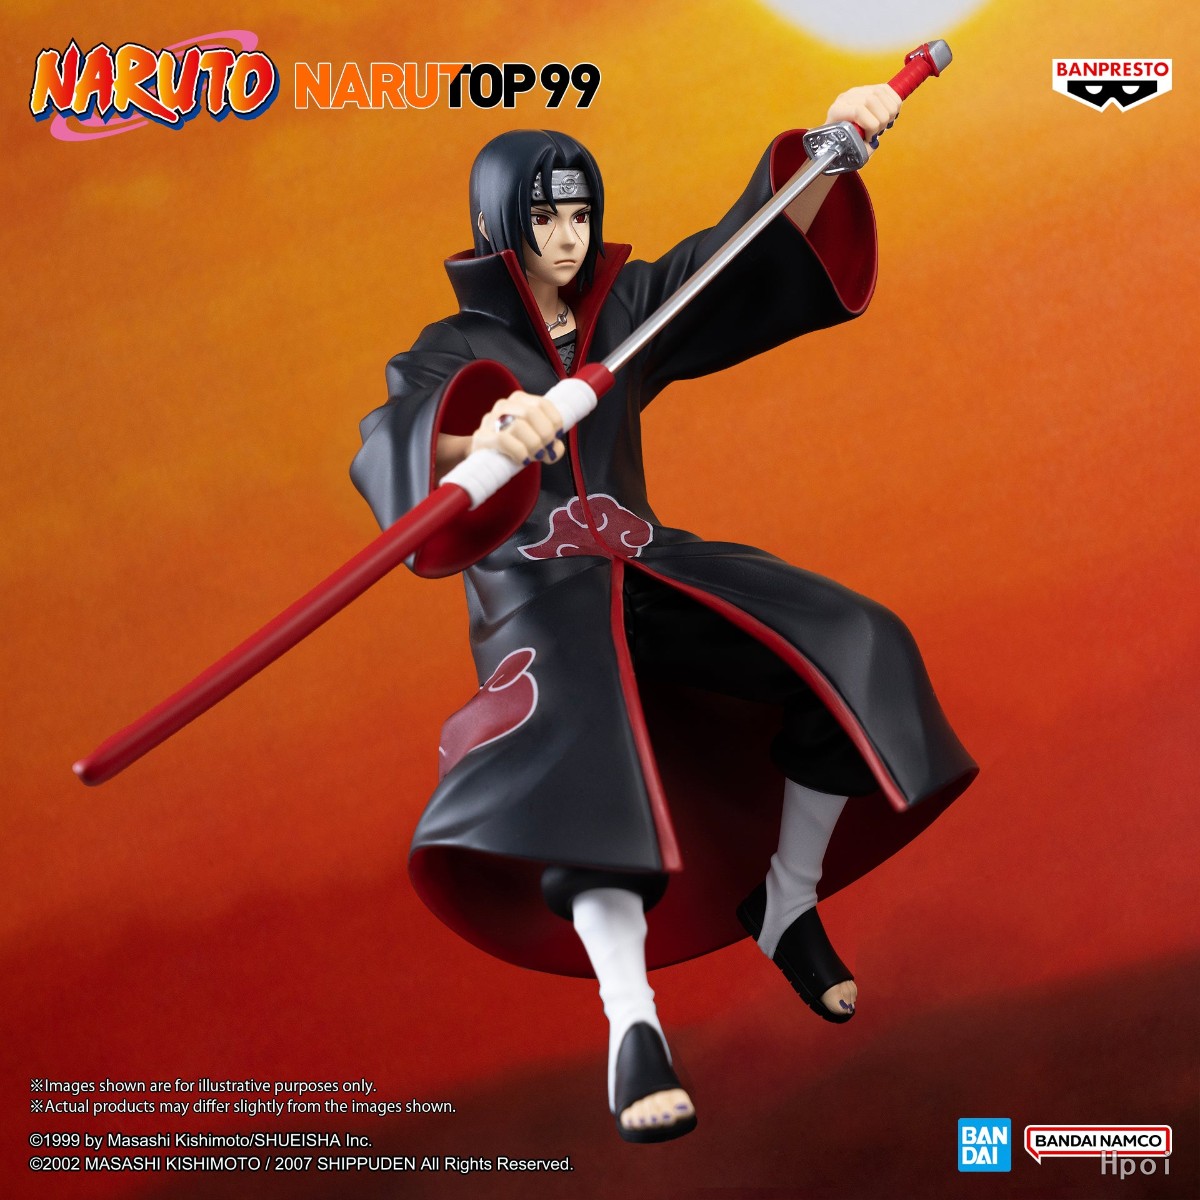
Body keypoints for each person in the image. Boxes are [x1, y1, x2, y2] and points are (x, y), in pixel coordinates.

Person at [351, 86, 978, 1143]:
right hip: (540, 605)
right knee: (582, 768)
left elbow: (731, 256)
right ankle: (630, 1023)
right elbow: (394, 437)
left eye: (578, 215)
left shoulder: (622, 310)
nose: (566, 239)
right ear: (501, 227)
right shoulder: (454, 347)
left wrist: (829, 153)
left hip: (645, 566)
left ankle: (786, 899)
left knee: (846, 646)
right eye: (543, 219)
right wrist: (485, 432)